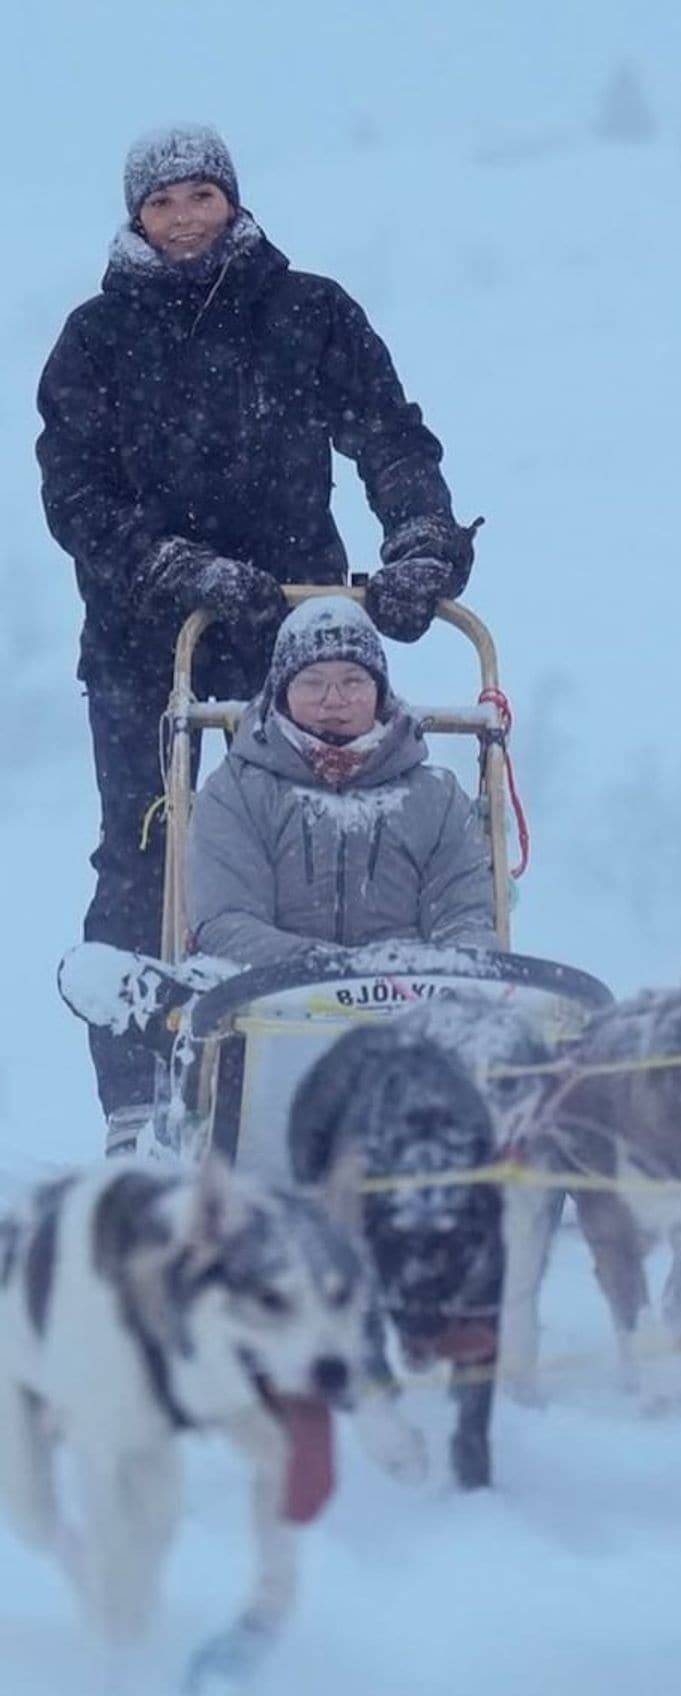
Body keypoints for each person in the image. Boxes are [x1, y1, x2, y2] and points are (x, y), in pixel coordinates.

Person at [36, 123, 479, 1149]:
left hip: (298, 629)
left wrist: (418, 542)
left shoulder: (307, 311)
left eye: (202, 195)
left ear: (233, 201)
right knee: (155, 847)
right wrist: (175, 568)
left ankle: (335, 1052)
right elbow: (77, 496)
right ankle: (141, 1096)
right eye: (163, 202)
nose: (185, 216)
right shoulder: (96, 340)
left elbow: (388, 435)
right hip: (154, 641)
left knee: (325, 830)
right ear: (135, 217)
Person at [187, 596, 497, 966]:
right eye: (312, 682)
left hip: (413, 1007)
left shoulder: (436, 798)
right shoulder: (237, 791)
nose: (333, 700)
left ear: (379, 693)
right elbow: (226, 923)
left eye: (353, 681)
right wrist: (335, 973)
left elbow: (465, 921)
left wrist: (409, 979)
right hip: (266, 1004)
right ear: (283, 694)